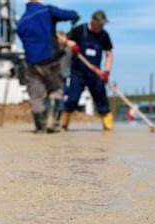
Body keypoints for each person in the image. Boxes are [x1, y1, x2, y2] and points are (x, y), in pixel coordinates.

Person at [16, 0, 79, 133]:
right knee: (56, 89)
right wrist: (75, 15)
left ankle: (40, 127)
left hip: (32, 64)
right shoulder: (47, 11)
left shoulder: (21, 23)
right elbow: (69, 15)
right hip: (51, 60)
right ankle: (53, 121)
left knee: (36, 96)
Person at [60, 10, 114, 131]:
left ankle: (108, 126)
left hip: (95, 74)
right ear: (93, 22)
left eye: (103, 25)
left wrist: (107, 71)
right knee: (72, 99)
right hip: (77, 73)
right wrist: (72, 45)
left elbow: (109, 54)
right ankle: (63, 124)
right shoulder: (80, 30)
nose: (102, 27)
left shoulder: (104, 35)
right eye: (100, 24)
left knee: (102, 100)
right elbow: (62, 40)